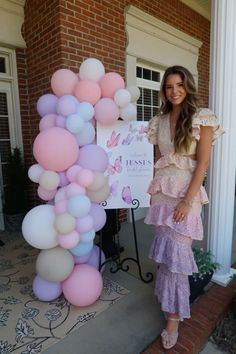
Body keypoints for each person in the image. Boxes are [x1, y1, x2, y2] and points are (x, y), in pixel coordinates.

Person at [144, 65, 224, 350]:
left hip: (185, 199)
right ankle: (168, 304)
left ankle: (174, 319)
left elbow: (201, 163)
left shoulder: (202, 118)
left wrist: (187, 201)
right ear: (164, 90)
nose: (174, 91)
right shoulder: (159, 120)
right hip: (163, 197)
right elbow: (161, 162)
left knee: (177, 257)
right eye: (169, 86)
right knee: (166, 257)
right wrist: (157, 196)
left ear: (187, 86)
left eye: (179, 85)